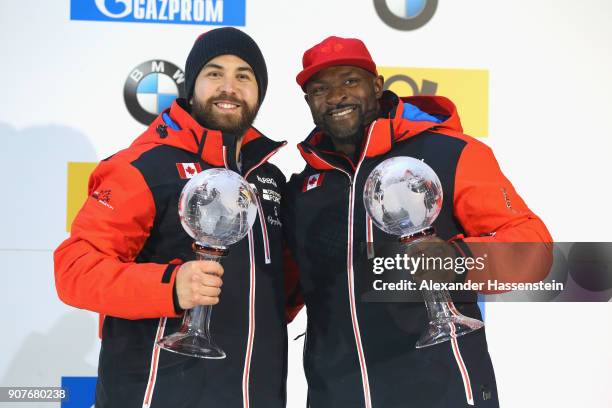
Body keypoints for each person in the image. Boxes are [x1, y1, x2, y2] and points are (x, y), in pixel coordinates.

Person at [283, 36, 553, 407]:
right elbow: (279, 295)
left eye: (349, 81)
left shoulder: (450, 153)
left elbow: (535, 251)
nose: (336, 96)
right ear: (309, 101)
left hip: (442, 391)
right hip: (337, 394)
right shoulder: (302, 188)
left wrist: (457, 260)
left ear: (377, 86)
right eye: (320, 88)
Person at [54, 27, 288, 408]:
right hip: (155, 393)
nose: (229, 87)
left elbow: (281, 288)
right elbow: (74, 270)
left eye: (243, 76)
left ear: (259, 91)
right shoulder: (146, 166)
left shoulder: (269, 179)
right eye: (214, 73)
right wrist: (169, 286)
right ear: (192, 85)